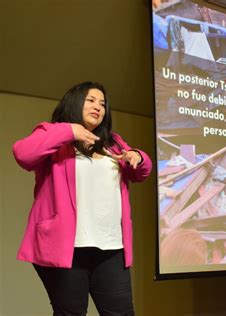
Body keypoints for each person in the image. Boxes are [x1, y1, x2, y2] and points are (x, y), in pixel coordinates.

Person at [12, 81, 152, 315]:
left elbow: (141, 172)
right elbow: (23, 153)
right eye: (91, 100)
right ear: (75, 103)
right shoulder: (54, 136)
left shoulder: (113, 143)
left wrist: (137, 156)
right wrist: (70, 131)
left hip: (111, 248)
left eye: (103, 104)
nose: (98, 107)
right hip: (67, 247)